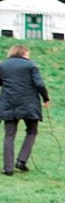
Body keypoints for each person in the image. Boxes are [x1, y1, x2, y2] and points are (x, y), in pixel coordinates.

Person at [0, 45, 51, 176]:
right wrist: (46, 98)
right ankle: (21, 160)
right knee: (32, 131)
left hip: (9, 104)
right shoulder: (31, 66)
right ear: (23, 53)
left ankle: (8, 168)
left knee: (9, 135)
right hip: (29, 105)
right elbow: (39, 84)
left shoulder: (3, 66)